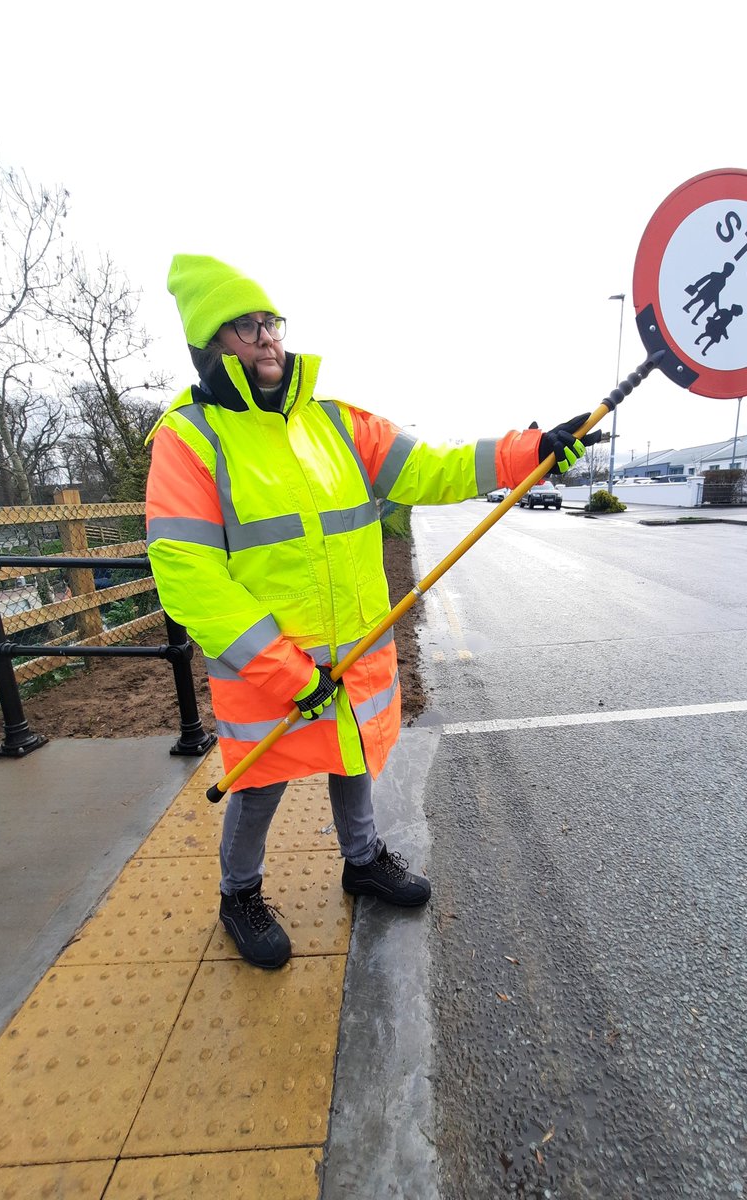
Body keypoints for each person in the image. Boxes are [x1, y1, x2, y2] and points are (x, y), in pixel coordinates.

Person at [145, 254, 597, 970]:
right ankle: (239, 893)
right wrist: (286, 671)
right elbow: (188, 575)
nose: (266, 338)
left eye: (270, 322)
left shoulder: (336, 424)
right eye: (244, 327)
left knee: (351, 758)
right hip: (267, 671)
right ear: (210, 345)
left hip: (352, 654)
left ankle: (361, 861)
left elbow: (432, 466)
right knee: (259, 783)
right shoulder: (190, 440)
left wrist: (528, 452)